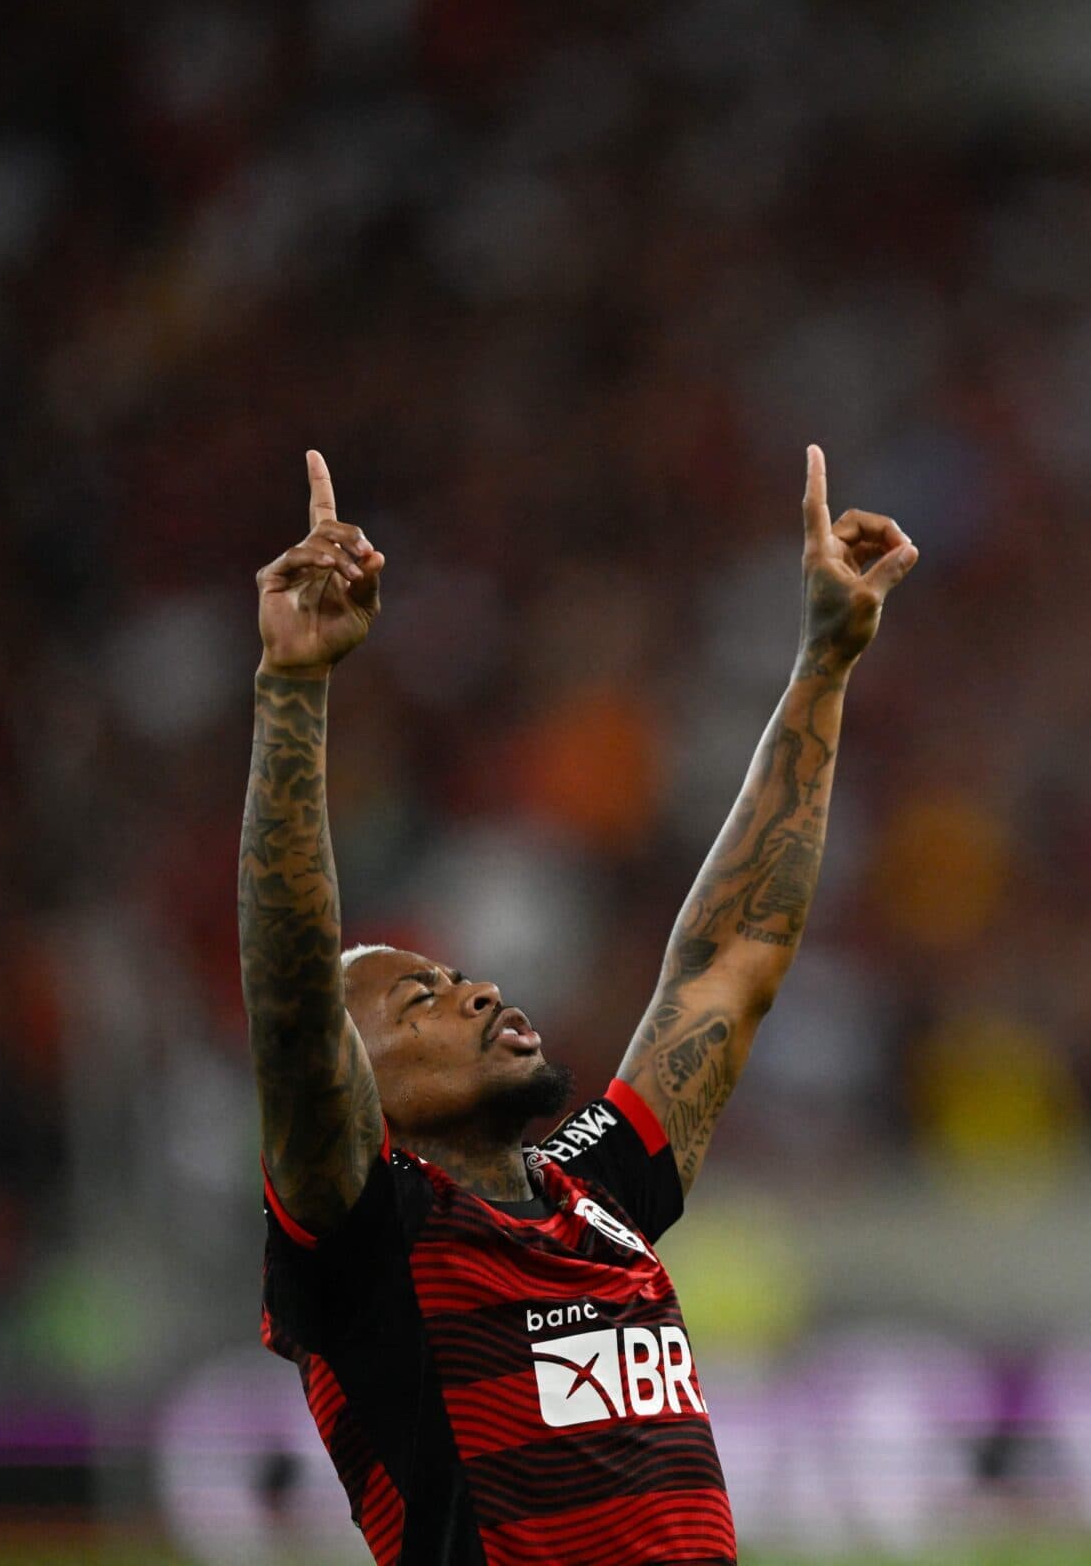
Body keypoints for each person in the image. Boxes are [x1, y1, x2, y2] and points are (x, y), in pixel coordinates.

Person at [240, 446, 916, 1566]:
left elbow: (730, 961)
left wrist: (826, 662)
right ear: (355, 1085)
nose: (482, 992)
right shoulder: (372, 1244)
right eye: (424, 997)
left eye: (462, 978)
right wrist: (295, 686)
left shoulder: (593, 1190)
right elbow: (293, 992)